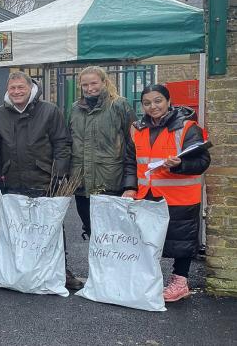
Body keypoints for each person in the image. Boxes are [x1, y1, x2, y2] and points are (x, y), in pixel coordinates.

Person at [0, 71, 82, 289]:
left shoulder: (49, 111)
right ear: (7, 91)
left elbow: (62, 143)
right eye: (13, 88)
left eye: (21, 87)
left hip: (44, 179)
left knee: (50, 228)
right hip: (12, 180)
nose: (17, 92)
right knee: (18, 231)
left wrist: (59, 174)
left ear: (31, 88)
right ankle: (20, 270)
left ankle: (61, 269)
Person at [123, 84, 210, 302]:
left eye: (158, 101)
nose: (153, 106)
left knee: (181, 240)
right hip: (147, 193)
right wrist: (130, 187)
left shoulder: (188, 127)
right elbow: (130, 162)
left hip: (179, 197)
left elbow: (202, 161)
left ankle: (180, 282)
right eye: (147, 103)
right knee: (147, 241)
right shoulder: (137, 128)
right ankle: (150, 280)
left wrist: (179, 164)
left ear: (168, 101)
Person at [69, 66, 137, 238]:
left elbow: (133, 145)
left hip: (110, 180)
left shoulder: (119, 105)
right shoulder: (75, 108)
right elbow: (70, 142)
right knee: (91, 231)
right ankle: (95, 266)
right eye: (85, 85)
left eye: (94, 83)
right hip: (82, 183)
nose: (89, 88)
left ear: (104, 82)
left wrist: (131, 183)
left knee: (112, 234)